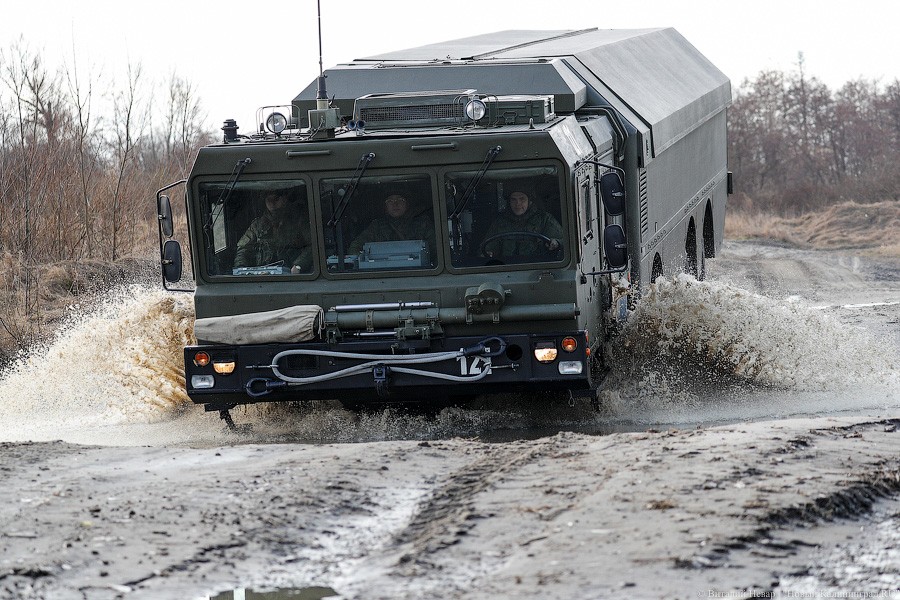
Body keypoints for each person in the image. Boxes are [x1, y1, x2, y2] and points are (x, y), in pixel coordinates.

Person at [233, 192, 312, 273]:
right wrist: (241, 268)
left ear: (284, 199)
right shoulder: (257, 226)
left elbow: (313, 246)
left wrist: (299, 265)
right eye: (268, 200)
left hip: (292, 275)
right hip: (262, 275)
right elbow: (243, 249)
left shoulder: (299, 222)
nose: (272, 203)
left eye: (276, 199)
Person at [482, 189, 563, 259]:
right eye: (513, 199)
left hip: (538, 268)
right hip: (506, 269)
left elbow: (565, 243)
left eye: (522, 199)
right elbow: (488, 247)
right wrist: (488, 253)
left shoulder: (545, 219)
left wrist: (556, 242)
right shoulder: (500, 222)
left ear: (530, 201)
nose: (518, 204)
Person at [348, 193, 435, 255]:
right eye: (390, 201)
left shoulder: (423, 224)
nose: (395, 204)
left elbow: (436, 250)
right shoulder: (377, 226)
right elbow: (355, 247)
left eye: (400, 200)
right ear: (385, 207)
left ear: (407, 204)